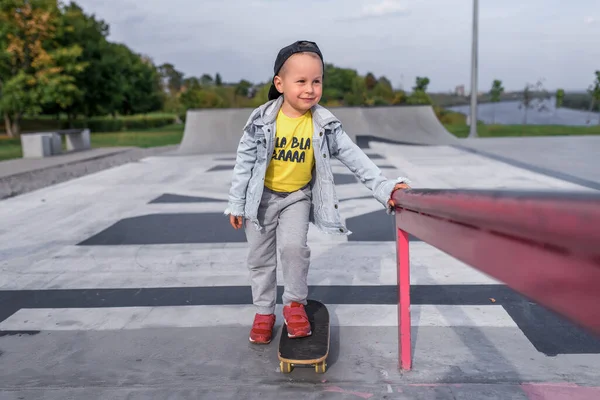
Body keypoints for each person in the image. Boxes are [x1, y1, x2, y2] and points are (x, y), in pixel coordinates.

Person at [225, 40, 410, 344]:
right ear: (280, 83)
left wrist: (384, 186)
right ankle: (263, 312)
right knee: (260, 259)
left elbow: (354, 157)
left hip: (297, 197)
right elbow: (243, 161)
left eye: (316, 81)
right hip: (260, 200)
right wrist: (236, 202)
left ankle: (295, 304)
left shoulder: (324, 124)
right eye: (301, 81)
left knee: (294, 250)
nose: (310, 89)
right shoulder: (261, 120)